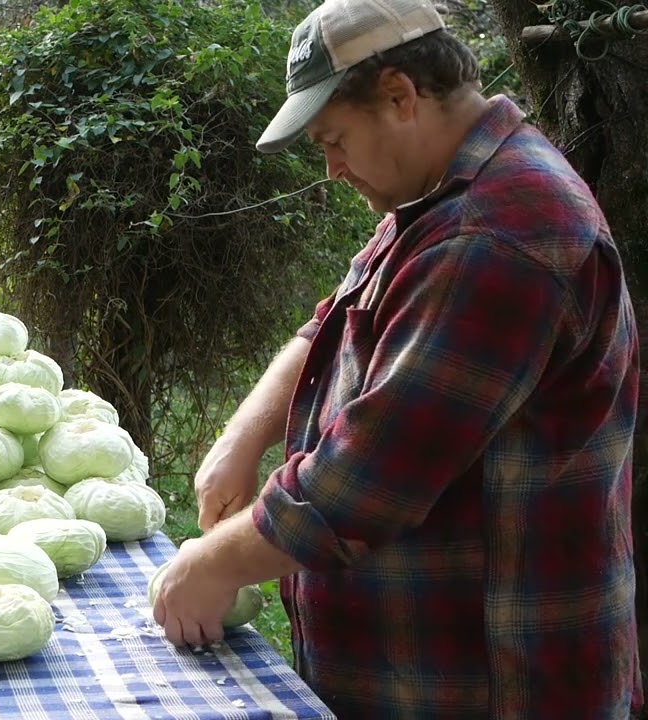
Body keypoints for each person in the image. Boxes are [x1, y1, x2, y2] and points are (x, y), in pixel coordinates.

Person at [150, 0, 642, 717]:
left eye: (335, 140)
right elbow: (333, 318)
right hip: (410, 671)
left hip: (494, 683)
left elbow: (364, 484)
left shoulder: (497, 235)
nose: (331, 168)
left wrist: (212, 561)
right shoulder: (443, 195)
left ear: (400, 96)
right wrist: (240, 438)